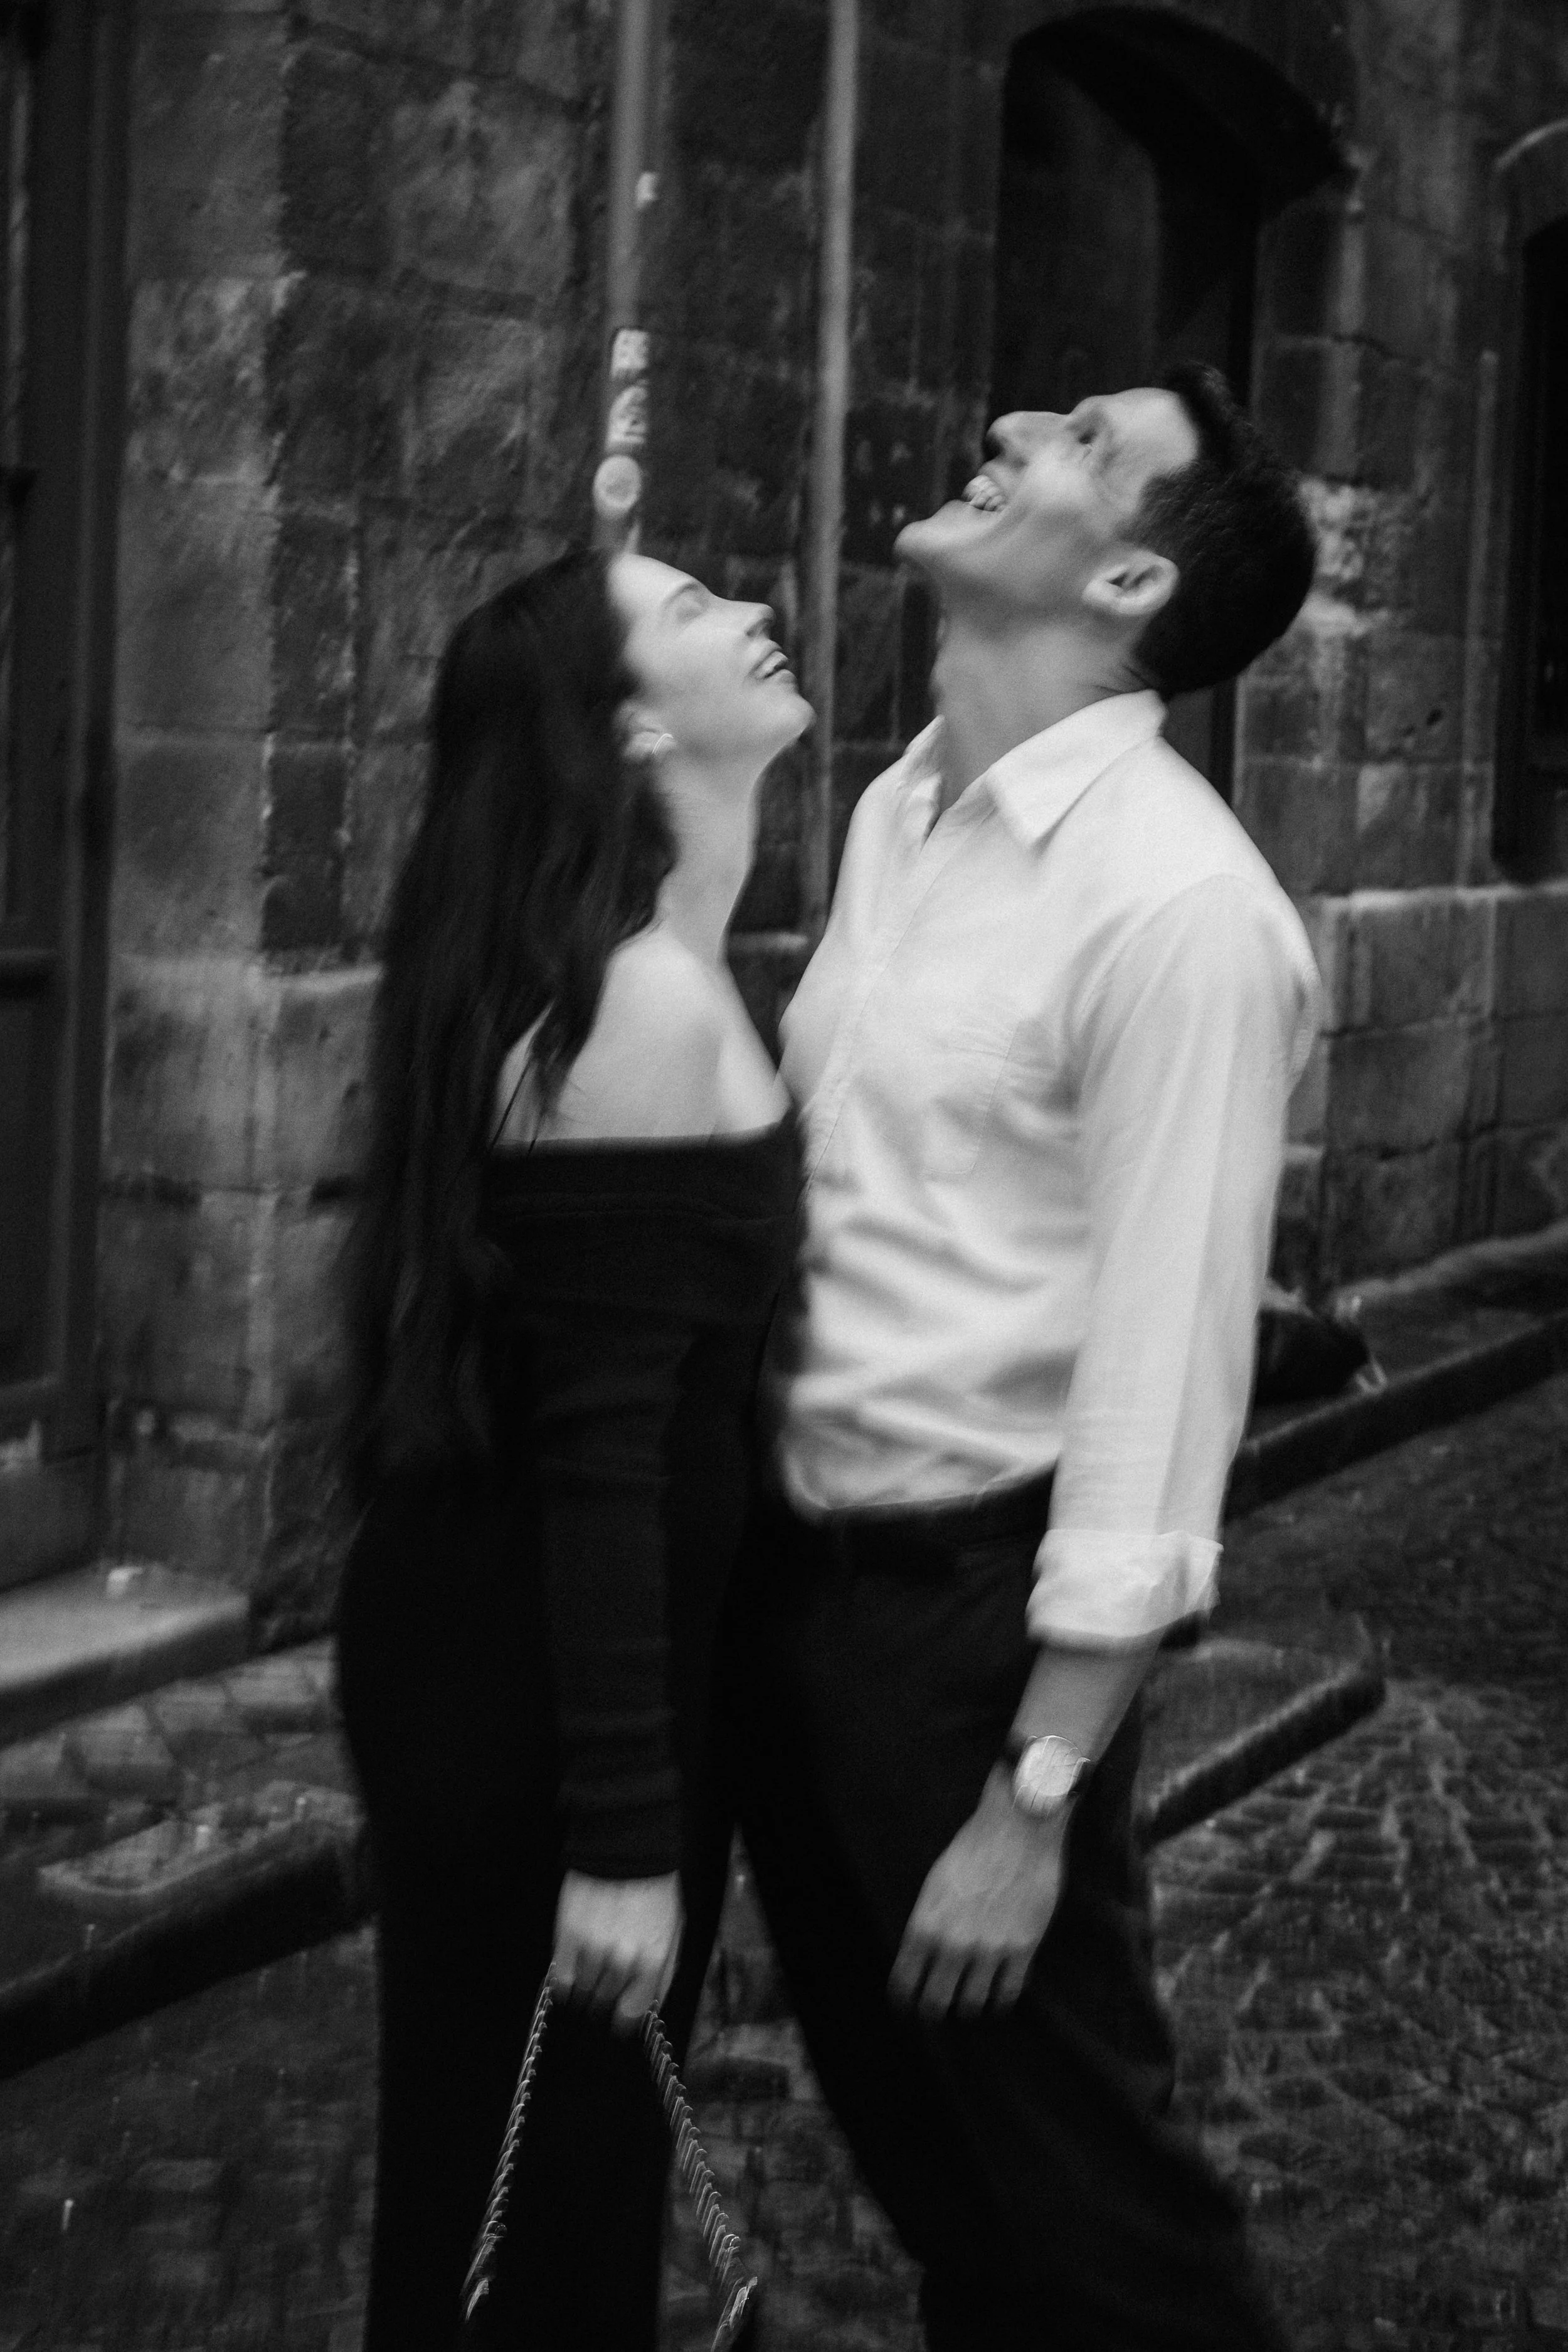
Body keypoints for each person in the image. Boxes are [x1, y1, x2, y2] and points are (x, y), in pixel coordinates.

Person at [729, 363, 1322, 2349]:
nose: (1007, 435)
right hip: (804, 1607)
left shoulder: (1180, 908)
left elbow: (1162, 1388)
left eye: (1074, 444)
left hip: (972, 1635)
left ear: (1136, 571)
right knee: (940, 2187)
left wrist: (1035, 1792)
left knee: (1098, 2227)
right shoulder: (905, 809)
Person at [336, 545, 809, 2350]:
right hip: (540, 1688)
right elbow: (602, 1460)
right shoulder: (636, 1009)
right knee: (527, 2220)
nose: (749, 610)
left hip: (557, 1662)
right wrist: (623, 1838)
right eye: (692, 610)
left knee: (541, 2200)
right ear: (624, 721)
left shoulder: (655, 975)